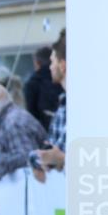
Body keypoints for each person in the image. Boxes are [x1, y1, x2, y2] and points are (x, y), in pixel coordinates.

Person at [30, 29, 67, 183]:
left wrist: (62, 159)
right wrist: (40, 159)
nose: (50, 67)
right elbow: (50, 150)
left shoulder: (87, 106)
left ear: (62, 65)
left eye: (52, 62)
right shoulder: (63, 103)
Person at [24, 45, 62, 130]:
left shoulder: (33, 83)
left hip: (44, 130)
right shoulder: (63, 79)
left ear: (37, 63)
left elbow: (31, 115)